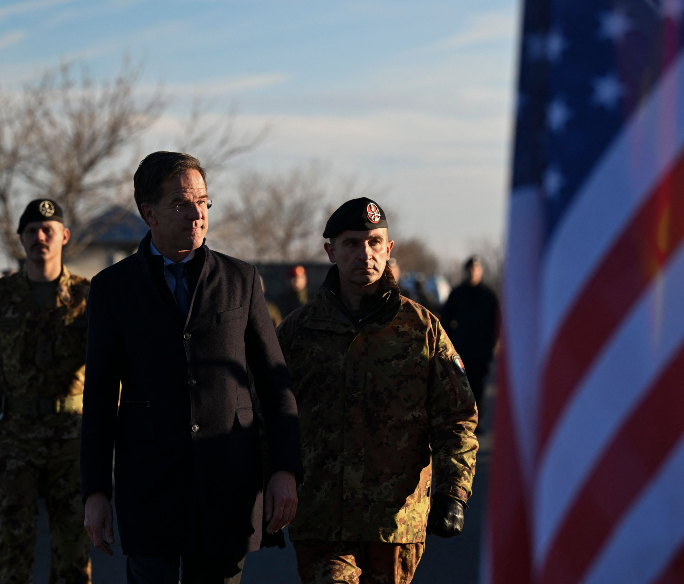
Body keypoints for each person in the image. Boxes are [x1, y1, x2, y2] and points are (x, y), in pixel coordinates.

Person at [79, 151, 304, 584]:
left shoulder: (242, 280)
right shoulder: (112, 289)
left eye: (203, 201)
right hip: (150, 486)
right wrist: (95, 492)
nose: (197, 214)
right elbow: (101, 398)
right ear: (150, 214)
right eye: (182, 204)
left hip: (228, 485)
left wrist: (284, 469)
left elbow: (275, 383)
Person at [276, 197, 478, 584]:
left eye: (373, 243)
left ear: (388, 249)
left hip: (396, 522)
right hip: (322, 519)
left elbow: (457, 417)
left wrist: (453, 493)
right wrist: (268, 487)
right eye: (352, 243)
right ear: (331, 252)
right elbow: (270, 415)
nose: (364, 254)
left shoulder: (422, 329)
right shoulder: (298, 332)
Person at [0, 199, 91, 584]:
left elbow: (113, 367)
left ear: (64, 237)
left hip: (73, 435)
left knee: (72, 547)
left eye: (48, 230)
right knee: (12, 546)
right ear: (20, 239)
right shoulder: (3, 295)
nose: (40, 237)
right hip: (17, 434)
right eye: (32, 230)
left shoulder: (89, 297)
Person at [441, 256, 500, 413]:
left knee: (479, 387)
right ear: (465, 271)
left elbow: (497, 322)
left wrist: (495, 344)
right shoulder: (457, 294)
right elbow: (446, 321)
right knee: (460, 386)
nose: (473, 272)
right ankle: (463, 420)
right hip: (461, 349)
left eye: (476, 268)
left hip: (481, 350)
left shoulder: (488, 296)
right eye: (470, 269)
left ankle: (477, 419)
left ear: (480, 271)